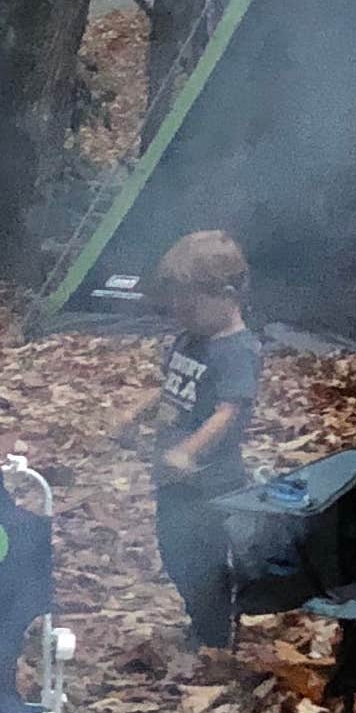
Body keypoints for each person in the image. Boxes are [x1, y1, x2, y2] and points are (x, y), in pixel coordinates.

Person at [120, 227, 262, 658]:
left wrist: (189, 450)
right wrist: (136, 412)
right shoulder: (192, 339)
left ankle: (215, 638)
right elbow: (171, 385)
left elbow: (229, 410)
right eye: (175, 302)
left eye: (189, 303)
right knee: (175, 553)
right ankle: (203, 624)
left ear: (226, 295)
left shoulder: (237, 350)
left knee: (202, 560)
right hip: (173, 480)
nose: (179, 312)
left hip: (211, 480)